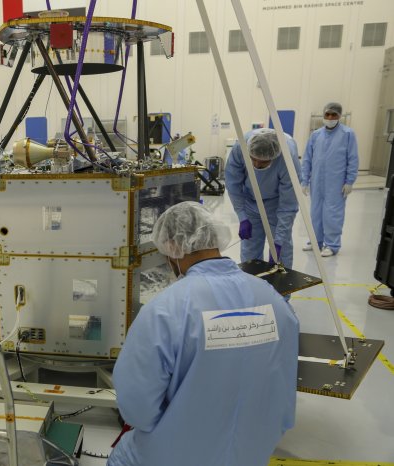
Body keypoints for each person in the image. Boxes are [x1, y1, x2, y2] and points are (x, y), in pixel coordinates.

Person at [108, 201, 299, 466]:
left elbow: (137, 408)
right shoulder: (274, 301)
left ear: (172, 247)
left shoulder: (165, 310)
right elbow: (285, 392)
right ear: (213, 237)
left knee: (122, 457)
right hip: (252, 452)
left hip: (176, 454)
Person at [225, 128, 301, 268]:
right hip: (250, 200)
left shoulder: (287, 158)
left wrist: (279, 241)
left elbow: (288, 204)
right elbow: (233, 184)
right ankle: (251, 281)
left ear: (274, 157)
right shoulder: (241, 148)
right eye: (253, 159)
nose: (256, 165)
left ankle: (281, 282)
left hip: (276, 203)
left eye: (263, 162)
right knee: (250, 251)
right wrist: (242, 216)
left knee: (281, 253)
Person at [301, 102, 358, 257]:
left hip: (336, 183)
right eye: (328, 114)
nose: (330, 117)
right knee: (315, 213)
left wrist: (349, 181)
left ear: (339, 116)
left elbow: (353, 158)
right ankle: (315, 242)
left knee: (333, 214)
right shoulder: (316, 135)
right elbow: (307, 158)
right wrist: (304, 181)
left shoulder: (347, 134)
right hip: (317, 182)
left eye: (334, 115)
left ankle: (332, 245)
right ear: (323, 115)